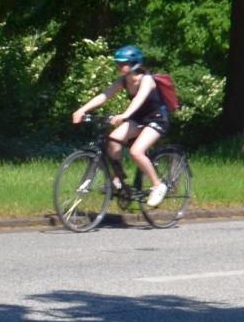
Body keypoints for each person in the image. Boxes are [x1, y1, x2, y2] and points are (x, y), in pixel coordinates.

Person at [70, 45, 170, 207]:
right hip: (138, 119)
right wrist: (82, 110)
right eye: (118, 63)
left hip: (157, 119)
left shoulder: (146, 80)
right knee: (113, 139)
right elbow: (104, 96)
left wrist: (124, 115)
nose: (118, 66)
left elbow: (139, 99)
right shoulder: (122, 81)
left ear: (134, 64)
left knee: (136, 152)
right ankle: (117, 179)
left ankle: (158, 185)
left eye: (122, 63)